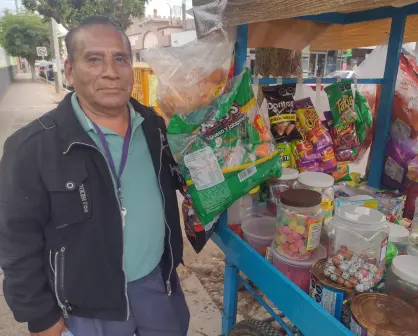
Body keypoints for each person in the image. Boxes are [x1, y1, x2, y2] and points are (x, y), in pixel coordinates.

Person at [0, 16, 189, 336]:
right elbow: (16, 240)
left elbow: (178, 181)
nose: (111, 71)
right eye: (93, 59)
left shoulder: (154, 127)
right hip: (87, 305)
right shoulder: (31, 148)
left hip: (157, 286)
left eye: (120, 59)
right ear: (70, 71)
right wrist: (39, 315)